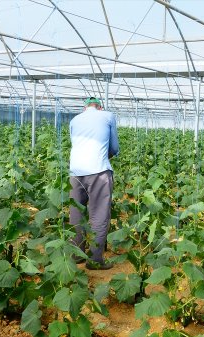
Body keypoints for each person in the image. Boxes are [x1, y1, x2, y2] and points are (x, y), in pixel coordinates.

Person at [69, 97, 119, 270]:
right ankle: (95, 260)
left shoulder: (74, 119)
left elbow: (75, 143)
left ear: (85, 108)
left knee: (76, 212)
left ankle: (76, 255)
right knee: (99, 214)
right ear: (100, 107)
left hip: (75, 172)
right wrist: (107, 156)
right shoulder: (108, 116)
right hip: (98, 170)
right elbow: (114, 147)